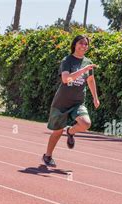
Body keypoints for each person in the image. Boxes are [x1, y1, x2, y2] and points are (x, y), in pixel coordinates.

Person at [42, 35, 100, 168]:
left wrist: (95, 97)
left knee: (86, 123)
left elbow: (90, 80)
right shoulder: (67, 60)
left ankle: (70, 132)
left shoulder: (88, 61)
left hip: (78, 102)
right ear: (75, 44)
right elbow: (66, 79)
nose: (84, 46)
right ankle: (48, 156)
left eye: (86, 44)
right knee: (57, 132)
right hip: (61, 102)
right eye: (81, 43)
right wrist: (83, 70)